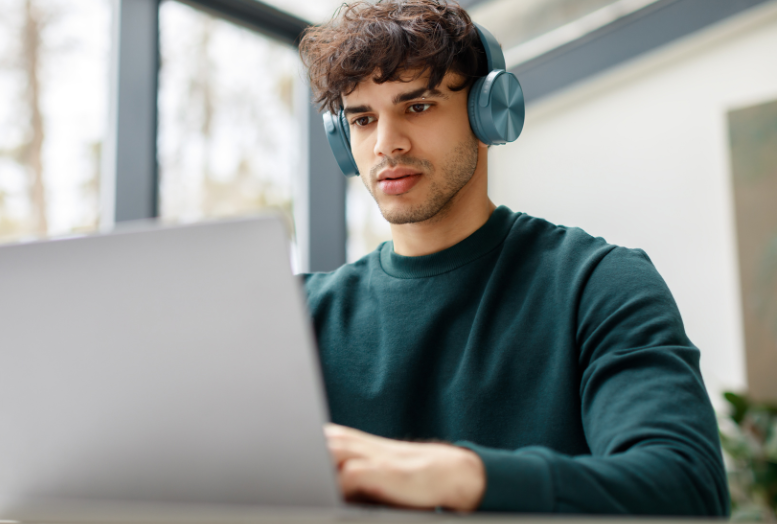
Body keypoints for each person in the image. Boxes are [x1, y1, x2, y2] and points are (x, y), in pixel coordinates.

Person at [297, 0, 729, 515]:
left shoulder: (597, 285)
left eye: (417, 106)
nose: (386, 145)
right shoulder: (300, 314)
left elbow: (686, 490)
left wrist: (460, 477)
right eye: (363, 119)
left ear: (491, 112)